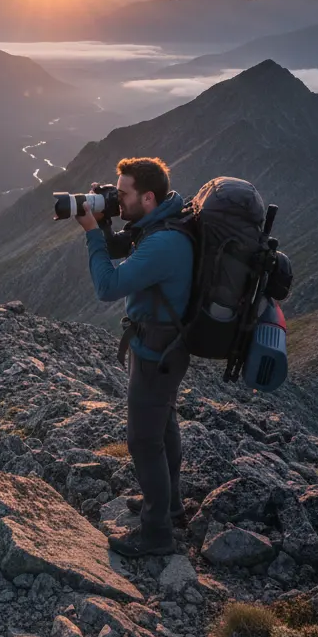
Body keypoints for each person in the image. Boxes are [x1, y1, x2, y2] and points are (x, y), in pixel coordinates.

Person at [74, 156, 193, 557]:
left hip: (156, 352)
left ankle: (156, 533)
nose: (117, 198)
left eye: (122, 193)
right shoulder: (162, 222)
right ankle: (170, 505)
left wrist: (91, 230)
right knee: (163, 427)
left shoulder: (163, 242)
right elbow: (121, 244)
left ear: (147, 196)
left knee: (143, 441)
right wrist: (104, 219)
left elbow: (108, 286)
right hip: (165, 347)